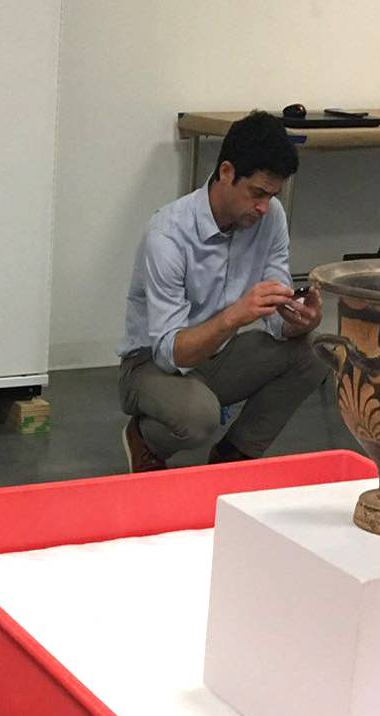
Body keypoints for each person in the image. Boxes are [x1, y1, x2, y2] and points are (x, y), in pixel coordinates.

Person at [118, 110, 328, 471]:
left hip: (218, 353)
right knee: (200, 416)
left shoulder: (271, 217)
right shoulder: (167, 235)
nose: (264, 207)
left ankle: (233, 457)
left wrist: (301, 320)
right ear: (227, 172)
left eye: (273, 195)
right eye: (257, 193)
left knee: (315, 353)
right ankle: (144, 438)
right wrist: (235, 316)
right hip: (150, 364)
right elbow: (169, 353)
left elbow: (279, 326)